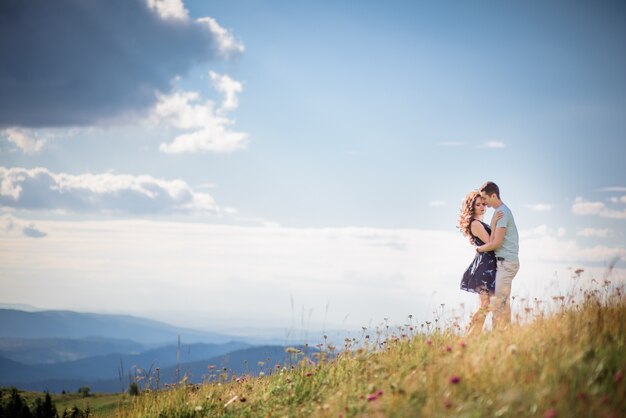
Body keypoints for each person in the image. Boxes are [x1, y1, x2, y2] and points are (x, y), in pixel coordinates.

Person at [476, 181, 520, 330]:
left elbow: (497, 243)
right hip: (506, 262)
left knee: (499, 303)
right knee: (502, 302)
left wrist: (479, 249)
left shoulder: (502, 213)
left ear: (493, 195)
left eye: (485, 198)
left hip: (506, 263)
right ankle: (505, 333)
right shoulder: (500, 212)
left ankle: (498, 335)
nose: (484, 202)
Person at [458, 190, 502, 336]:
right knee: (485, 305)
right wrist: (496, 222)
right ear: (472, 207)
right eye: (478, 205)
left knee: (486, 305)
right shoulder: (476, 224)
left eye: (483, 204)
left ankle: (472, 336)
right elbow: (491, 242)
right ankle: (468, 335)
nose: (482, 207)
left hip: (488, 267)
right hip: (484, 268)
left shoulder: (480, 223)